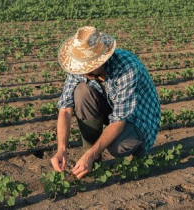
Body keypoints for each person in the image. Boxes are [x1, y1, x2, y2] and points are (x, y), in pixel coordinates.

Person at [50, 26, 161, 179]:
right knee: (82, 92)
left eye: (88, 68)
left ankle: (139, 152)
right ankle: (92, 156)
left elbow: (119, 120)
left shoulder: (127, 68)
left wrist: (92, 153)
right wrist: (61, 150)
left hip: (138, 116)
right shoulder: (79, 66)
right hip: (112, 110)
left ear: (102, 59)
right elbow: (65, 108)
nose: (83, 72)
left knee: (118, 146)